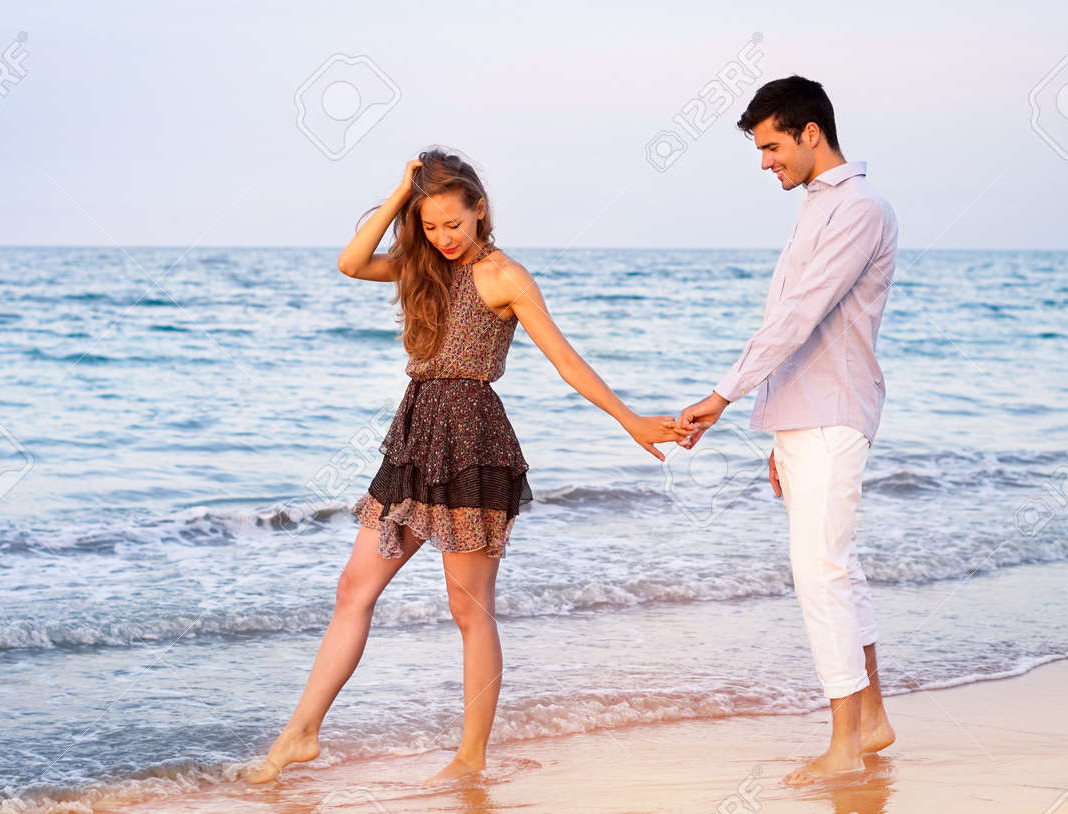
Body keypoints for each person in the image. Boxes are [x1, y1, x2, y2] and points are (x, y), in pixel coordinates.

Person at [247, 148, 687, 785]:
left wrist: (630, 419)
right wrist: (401, 193)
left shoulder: (504, 276)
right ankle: (302, 733)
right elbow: (350, 262)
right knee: (353, 588)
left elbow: (566, 361)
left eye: (453, 223)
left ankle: (470, 758)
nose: (443, 237)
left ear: (480, 210)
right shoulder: (420, 268)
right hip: (413, 438)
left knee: (469, 608)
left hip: (473, 443)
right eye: (430, 226)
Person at [676, 75, 899, 786]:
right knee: (839, 568)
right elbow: (798, 327)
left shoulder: (859, 208)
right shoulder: (818, 207)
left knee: (820, 572)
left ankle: (845, 745)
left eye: (771, 146)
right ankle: (871, 719)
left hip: (833, 415)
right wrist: (775, 427)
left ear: (811, 133)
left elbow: (801, 315)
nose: (765, 162)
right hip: (805, 417)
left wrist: (723, 395)